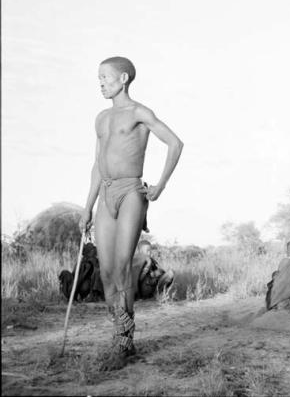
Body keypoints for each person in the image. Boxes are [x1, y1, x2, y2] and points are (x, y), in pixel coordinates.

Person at [79, 56, 183, 370]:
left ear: (123, 78)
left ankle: (125, 344)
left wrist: (161, 185)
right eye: (98, 78)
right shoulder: (100, 118)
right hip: (106, 193)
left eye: (105, 77)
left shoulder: (139, 112)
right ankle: (121, 332)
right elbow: (98, 165)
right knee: (106, 272)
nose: (101, 82)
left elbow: (175, 143)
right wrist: (87, 208)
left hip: (130, 192)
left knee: (122, 267)